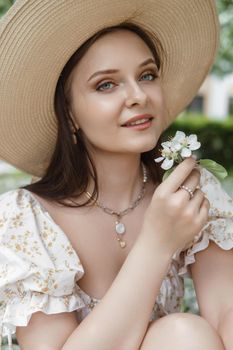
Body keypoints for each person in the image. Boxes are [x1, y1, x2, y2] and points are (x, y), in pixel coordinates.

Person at [0, 0, 232, 349]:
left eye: (147, 75)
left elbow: (227, 315)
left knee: (183, 334)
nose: (138, 96)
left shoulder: (188, 193)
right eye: (106, 85)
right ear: (70, 113)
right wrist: (158, 241)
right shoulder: (26, 220)